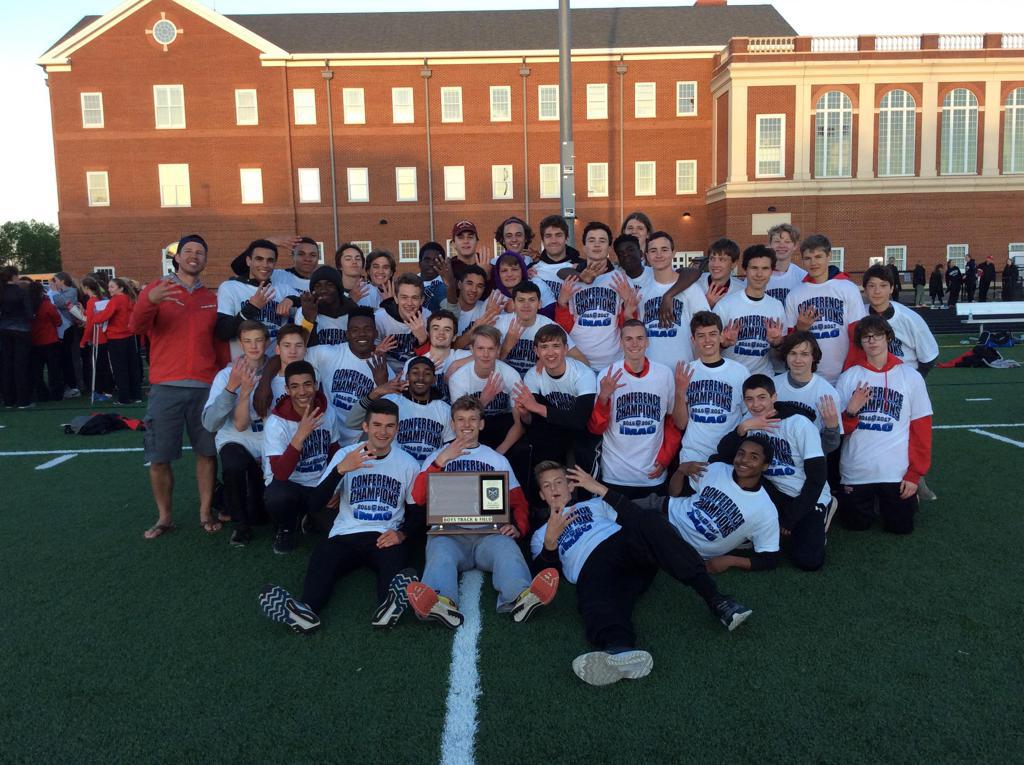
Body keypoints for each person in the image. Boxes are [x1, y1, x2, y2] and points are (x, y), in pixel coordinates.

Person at [531, 462, 753, 686]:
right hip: (590, 570)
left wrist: (599, 488)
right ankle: (620, 650)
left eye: (559, 482)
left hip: (622, 548)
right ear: (541, 494)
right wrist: (550, 544)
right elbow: (543, 578)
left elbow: (635, 517)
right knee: (594, 596)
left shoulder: (595, 504)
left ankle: (718, 600)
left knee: (650, 520)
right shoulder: (541, 534)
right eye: (547, 486)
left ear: (571, 486)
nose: (554, 488)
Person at [257, 399, 425, 633]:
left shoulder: (408, 463)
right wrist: (340, 470)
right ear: (365, 427)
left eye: (389, 426)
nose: (383, 432)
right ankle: (307, 611)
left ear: (397, 428)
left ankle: (388, 606)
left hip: (383, 535)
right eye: (377, 425)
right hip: (345, 533)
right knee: (323, 559)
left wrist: (401, 533)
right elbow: (315, 504)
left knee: (395, 565)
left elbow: (418, 512)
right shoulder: (346, 455)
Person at [405, 396, 559, 628]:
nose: (466, 424)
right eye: (460, 419)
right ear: (453, 424)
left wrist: (518, 527)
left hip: (489, 532)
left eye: (472, 419)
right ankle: (440, 602)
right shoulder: (436, 457)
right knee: (439, 554)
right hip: (449, 532)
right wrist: (440, 462)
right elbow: (417, 498)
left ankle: (520, 597)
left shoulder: (496, 459)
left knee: (508, 550)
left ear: (481, 424)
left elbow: (518, 501)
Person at [130, 234, 226, 539]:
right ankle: (164, 517)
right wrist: (148, 300)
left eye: (200, 252)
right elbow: (134, 326)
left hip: (204, 386)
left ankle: (204, 511)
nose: (194, 256)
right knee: (159, 457)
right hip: (166, 387)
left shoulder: (212, 297)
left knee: (207, 453)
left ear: (205, 259)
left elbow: (219, 343)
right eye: (188, 251)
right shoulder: (157, 290)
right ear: (177, 257)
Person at [715, 375, 833, 571]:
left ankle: (823, 514)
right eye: (749, 399)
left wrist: (791, 518)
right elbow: (724, 453)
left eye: (762, 397)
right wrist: (743, 427)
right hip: (771, 492)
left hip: (804, 495)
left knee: (808, 560)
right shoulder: (749, 421)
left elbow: (817, 477)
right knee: (724, 465)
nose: (756, 404)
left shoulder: (799, 424)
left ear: (774, 397)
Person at [836, 315, 932, 535]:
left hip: (895, 473)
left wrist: (914, 474)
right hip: (857, 471)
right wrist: (851, 411)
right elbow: (838, 430)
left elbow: (921, 429)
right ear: (860, 342)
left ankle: (909, 498)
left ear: (887, 337)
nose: (872, 341)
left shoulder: (910, 376)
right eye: (866, 337)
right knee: (855, 526)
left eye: (877, 335)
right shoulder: (849, 377)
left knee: (900, 528)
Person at [587, 320, 680, 497]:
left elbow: (671, 422)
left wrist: (666, 457)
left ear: (647, 342)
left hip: (652, 473)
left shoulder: (664, 374)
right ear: (621, 343)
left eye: (639, 338)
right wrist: (604, 398)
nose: (634, 344)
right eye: (628, 339)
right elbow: (596, 428)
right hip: (615, 474)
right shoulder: (607, 374)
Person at [664, 435, 780, 574]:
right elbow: (674, 494)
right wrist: (681, 471)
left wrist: (731, 560)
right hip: (666, 509)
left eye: (753, 457)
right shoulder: (717, 468)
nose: (744, 460)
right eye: (741, 453)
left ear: (765, 466)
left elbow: (770, 559)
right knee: (632, 512)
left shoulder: (765, 510)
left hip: (685, 546)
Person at [202, 321, 270, 546]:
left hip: (268, 441)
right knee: (233, 464)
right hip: (237, 440)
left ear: (267, 342)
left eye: (258, 340)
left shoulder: (278, 372)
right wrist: (232, 387)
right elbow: (210, 424)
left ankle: (241, 502)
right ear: (240, 344)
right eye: (248, 341)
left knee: (262, 515)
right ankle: (240, 525)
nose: (253, 346)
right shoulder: (225, 375)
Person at [262, 360, 342, 553]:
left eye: (307, 384)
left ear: (315, 385)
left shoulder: (327, 411)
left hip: (318, 485)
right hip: (290, 486)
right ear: (287, 389)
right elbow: (280, 473)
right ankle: (286, 528)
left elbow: (334, 452)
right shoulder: (276, 423)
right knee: (276, 496)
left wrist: (336, 487)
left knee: (338, 534)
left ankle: (310, 518)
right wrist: (300, 435)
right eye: (295, 386)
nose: (303, 391)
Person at [513, 324, 599, 491]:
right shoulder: (533, 376)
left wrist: (537, 407)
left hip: (583, 430)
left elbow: (579, 420)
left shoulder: (583, 374)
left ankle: (586, 502)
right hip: (553, 427)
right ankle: (541, 504)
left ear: (566, 349)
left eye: (556, 346)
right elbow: (535, 422)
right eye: (544, 347)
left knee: (583, 454)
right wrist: (525, 415)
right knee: (533, 446)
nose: (550, 353)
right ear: (536, 352)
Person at [555, 222, 638, 371]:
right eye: (591, 240)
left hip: (613, 361)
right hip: (578, 360)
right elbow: (563, 322)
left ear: (608, 247)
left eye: (602, 240)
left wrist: (627, 302)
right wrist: (562, 303)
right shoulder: (572, 278)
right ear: (584, 246)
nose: (597, 245)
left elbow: (631, 323)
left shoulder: (620, 279)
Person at [783, 234, 865, 385]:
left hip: (844, 373)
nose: (813, 262)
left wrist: (851, 368)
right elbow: (788, 343)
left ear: (829, 256)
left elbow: (858, 334)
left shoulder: (848, 288)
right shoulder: (795, 295)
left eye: (818, 257)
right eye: (808, 258)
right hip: (808, 376)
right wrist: (800, 329)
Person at [348, 355, 454, 463]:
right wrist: (376, 393)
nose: (420, 378)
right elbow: (352, 423)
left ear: (433, 379)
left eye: (427, 374)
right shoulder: (391, 401)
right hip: (395, 469)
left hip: (428, 473)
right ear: (407, 377)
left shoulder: (445, 409)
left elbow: (450, 448)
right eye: (415, 373)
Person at [675, 311, 748, 464]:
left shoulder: (740, 372)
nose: (707, 340)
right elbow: (680, 424)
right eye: (701, 335)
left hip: (727, 456)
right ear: (693, 340)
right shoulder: (686, 371)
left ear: (721, 336)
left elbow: (746, 416)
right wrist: (680, 392)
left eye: (713, 334)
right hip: (692, 456)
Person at [849, 264, 939, 376]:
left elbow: (929, 357)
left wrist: (914, 381)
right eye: (872, 286)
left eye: (883, 286)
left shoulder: (909, 318)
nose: (877, 291)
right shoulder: (857, 316)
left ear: (891, 288)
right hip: (869, 381)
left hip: (902, 380)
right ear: (865, 289)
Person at [446, 324, 523, 453]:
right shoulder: (458, 379)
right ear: (471, 349)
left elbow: (519, 425)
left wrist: (499, 453)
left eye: (491, 349)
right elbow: (461, 423)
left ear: (498, 350)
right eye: (480, 348)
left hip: (502, 428)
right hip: (473, 429)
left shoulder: (511, 375)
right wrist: (482, 401)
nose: (485, 354)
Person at [714, 245, 786, 376]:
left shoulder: (776, 306)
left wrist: (777, 343)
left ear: (771, 271)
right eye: (754, 268)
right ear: (745, 269)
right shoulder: (725, 305)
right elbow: (709, 348)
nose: (759, 274)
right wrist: (723, 344)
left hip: (763, 379)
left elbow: (781, 354)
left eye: (765, 268)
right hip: (731, 377)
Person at [495, 281, 586, 374]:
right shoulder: (498, 323)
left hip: (539, 383)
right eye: (521, 300)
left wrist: (552, 361)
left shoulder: (549, 327)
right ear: (513, 304)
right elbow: (484, 365)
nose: (526, 305)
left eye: (532, 300)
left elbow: (582, 360)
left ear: (539, 304)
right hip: (505, 382)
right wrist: (506, 347)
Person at [772, 331, 843, 450]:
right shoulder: (773, 385)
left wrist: (832, 429)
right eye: (792, 353)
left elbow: (832, 445)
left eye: (804, 354)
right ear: (786, 356)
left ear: (814, 357)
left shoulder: (827, 393)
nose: (797, 360)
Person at [216, 239, 287, 356]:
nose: (265, 265)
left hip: (275, 367)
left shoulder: (283, 289)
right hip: (242, 366)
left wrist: (292, 300)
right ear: (248, 261)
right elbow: (223, 332)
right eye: (259, 259)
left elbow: (310, 305)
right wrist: (252, 308)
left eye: (270, 260)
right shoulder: (230, 287)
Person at [91, 277, 142, 404]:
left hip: (117, 337)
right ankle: (136, 395)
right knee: (132, 366)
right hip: (129, 336)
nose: (109, 289)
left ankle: (124, 397)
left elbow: (104, 316)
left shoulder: (116, 300)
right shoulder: (130, 298)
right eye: (109, 287)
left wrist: (94, 317)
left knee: (120, 368)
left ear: (120, 288)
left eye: (112, 287)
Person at [409, 310, 471, 401]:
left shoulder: (465, 356)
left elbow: (491, 357)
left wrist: (456, 364)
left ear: (454, 337)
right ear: (428, 334)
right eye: (435, 328)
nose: (441, 332)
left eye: (447, 329)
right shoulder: (414, 363)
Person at [374, 272, 430, 372]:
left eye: (415, 298)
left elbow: (433, 359)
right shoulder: (379, 318)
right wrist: (377, 350)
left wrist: (423, 338)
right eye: (404, 297)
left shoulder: (428, 317)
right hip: (387, 374)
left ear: (422, 300)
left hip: (417, 375)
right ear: (396, 298)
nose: (409, 303)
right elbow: (369, 355)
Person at [295, 266, 356, 347]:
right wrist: (309, 319)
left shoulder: (353, 310)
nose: (323, 290)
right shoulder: (304, 311)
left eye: (330, 285)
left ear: (338, 289)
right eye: (317, 286)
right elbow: (300, 346)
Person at [27, 280, 63, 404]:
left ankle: (42, 394)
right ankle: (56, 394)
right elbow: (58, 321)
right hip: (50, 340)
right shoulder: (46, 304)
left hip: (34, 341)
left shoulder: (28, 305)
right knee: (54, 370)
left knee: (37, 371)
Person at [79, 275, 114, 402]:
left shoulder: (91, 301)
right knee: (103, 364)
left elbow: (89, 324)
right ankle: (105, 389)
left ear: (86, 288)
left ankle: (104, 390)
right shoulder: (101, 299)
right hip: (103, 335)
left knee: (99, 366)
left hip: (97, 337)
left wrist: (83, 340)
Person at [49, 271, 83, 397]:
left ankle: (75, 385)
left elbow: (62, 304)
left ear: (62, 281)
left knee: (70, 357)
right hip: (58, 328)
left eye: (56, 281)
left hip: (68, 328)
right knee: (63, 358)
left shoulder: (71, 291)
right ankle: (67, 384)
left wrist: (55, 293)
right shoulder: (59, 292)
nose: (54, 283)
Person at [491, 252, 556, 317]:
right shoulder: (494, 297)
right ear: (498, 274)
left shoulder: (538, 285)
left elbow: (552, 315)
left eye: (514, 269)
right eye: (504, 271)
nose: (509, 274)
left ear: (523, 271)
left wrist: (518, 309)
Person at [532, 214, 582, 297]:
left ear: (566, 238)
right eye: (548, 236)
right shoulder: (532, 270)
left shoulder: (580, 267)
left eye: (558, 235)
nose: (553, 241)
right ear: (543, 240)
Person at [764, 223, 807, 304]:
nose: (782, 245)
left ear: (795, 246)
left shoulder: (803, 277)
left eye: (787, 242)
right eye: (777, 241)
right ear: (770, 244)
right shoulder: (757, 276)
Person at [334, 242, 380, 309]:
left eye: (358, 259)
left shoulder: (372, 291)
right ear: (339, 265)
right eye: (348, 259)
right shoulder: (333, 292)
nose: (354, 262)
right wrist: (350, 301)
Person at [417, 242, 448, 312]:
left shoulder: (447, 285)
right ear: (419, 263)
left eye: (436, 260)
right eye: (427, 260)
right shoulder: (410, 282)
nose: (431, 264)